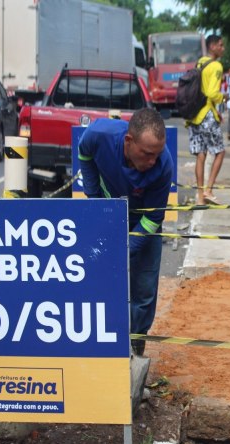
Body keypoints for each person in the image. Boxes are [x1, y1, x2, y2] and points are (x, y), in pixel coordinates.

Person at [78, 108, 172, 357]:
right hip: (110, 214)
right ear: (129, 142)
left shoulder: (163, 165)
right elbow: (83, 153)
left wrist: (126, 248)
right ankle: (104, 344)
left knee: (144, 288)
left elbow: (153, 218)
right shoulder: (99, 135)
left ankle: (135, 345)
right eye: (147, 154)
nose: (152, 161)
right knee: (100, 281)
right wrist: (94, 197)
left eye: (157, 154)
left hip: (144, 221)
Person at [187, 34, 227, 206]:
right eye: (220, 45)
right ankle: (209, 190)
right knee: (219, 151)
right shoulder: (217, 66)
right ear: (212, 46)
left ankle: (200, 196)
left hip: (193, 115)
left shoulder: (200, 62)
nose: (222, 48)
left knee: (201, 155)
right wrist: (223, 97)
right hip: (207, 115)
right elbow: (211, 93)